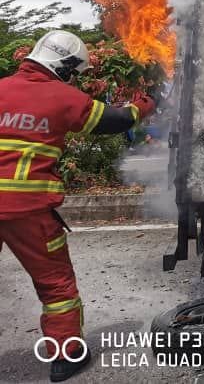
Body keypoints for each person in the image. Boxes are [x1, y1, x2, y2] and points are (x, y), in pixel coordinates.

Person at [0, 31, 155, 381]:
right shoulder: (62, 96)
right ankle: (65, 355)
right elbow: (113, 121)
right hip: (28, 211)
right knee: (56, 285)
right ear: (65, 65)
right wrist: (141, 107)